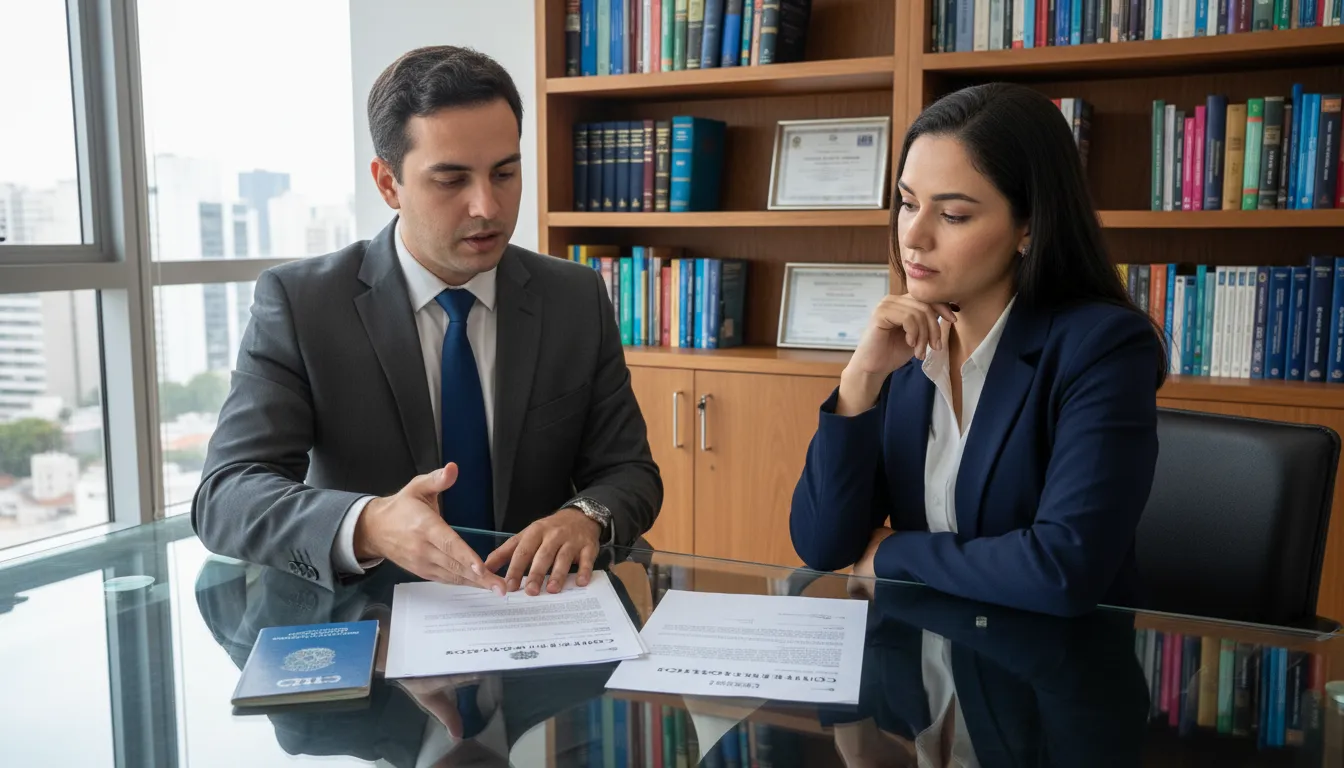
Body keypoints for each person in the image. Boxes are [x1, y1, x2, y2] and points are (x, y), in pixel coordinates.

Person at [191, 45, 662, 597]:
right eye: (451, 180)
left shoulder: (574, 296)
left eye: (504, 173)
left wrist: (585, 516)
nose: (487, 206)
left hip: (537, 615)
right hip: (372, 623)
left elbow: (630, 471)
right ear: (388, 183)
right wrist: (368, 524)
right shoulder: (302, 304)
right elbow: (226, 495)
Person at [789, 82, 1167, 618]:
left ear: (1028, 227)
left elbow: (1063, 570)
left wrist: (894, 552)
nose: (913, 236)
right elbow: (823, 546)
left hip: (1048, 681)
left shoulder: (1101, 348)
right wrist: (859, 382)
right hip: (922, 670)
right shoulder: (905, 346)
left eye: (953, 215)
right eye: (907, 203)